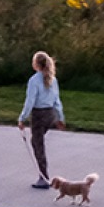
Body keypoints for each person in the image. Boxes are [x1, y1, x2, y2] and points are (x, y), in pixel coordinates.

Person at [16, 50, 66, 189]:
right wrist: (60, 118)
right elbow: (57, 100)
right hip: (50, 114)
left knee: (38, 145)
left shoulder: (34, 80)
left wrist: (22, 118)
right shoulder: (52, 79)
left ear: (36, 64)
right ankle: (43, 175)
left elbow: (30, 100)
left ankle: (43, 177)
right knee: (37, 142)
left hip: (39, 115)